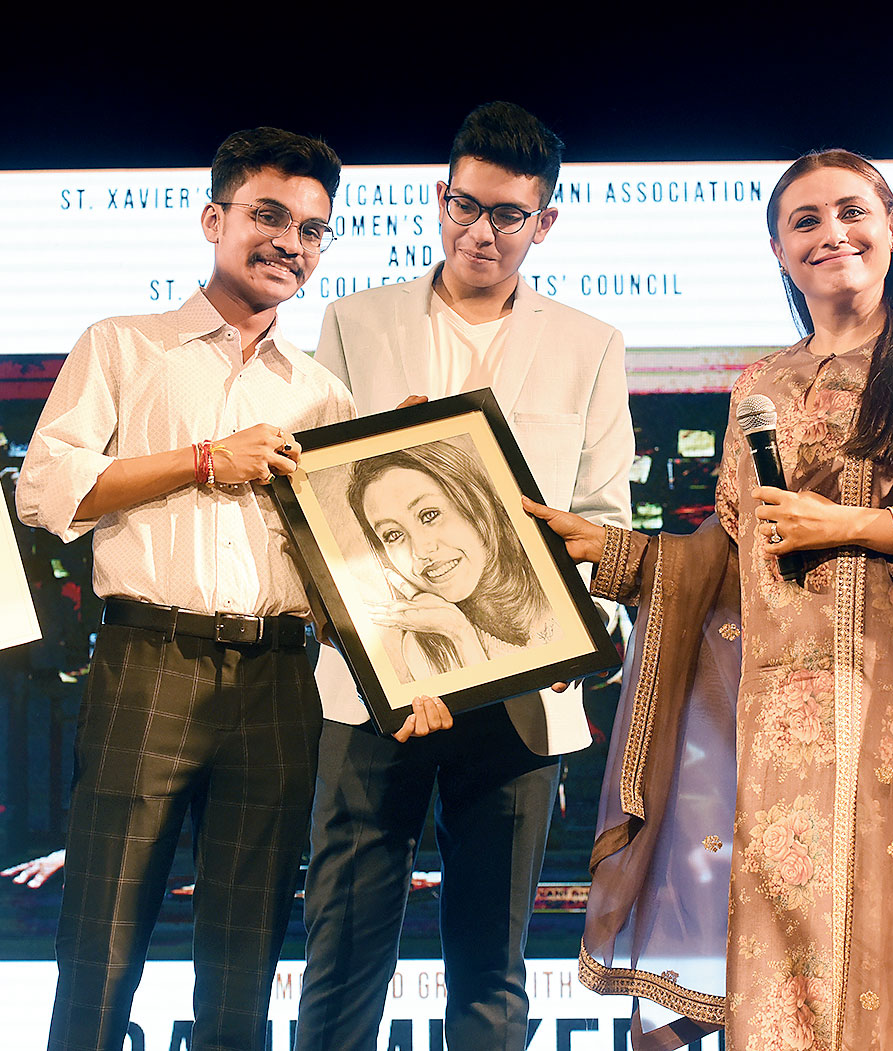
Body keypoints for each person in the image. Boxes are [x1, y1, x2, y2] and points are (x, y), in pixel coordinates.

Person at [529, 149, 893, 1049]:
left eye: (852, 211)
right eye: (805, 222)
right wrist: (627, 560)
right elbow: (736, 555)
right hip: (780, 725)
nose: (833, 234)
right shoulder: (762, 388)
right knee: (785, 961)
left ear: (892, 229)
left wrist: (854, 526)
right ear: (779, 253)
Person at [15, 127, 375, 1051]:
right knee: (99, 947)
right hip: (150, 660)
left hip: (279, 680)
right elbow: (48, 491)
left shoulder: (323, 394)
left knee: (243, 964)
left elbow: (346, 566)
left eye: (310, 228)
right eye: (266, 215)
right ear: (214, 219)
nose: (287, 242)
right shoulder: (125, 347)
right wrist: (205, 460)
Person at [295, 102, 634, 1051]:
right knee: (343, 952)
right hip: (378, 690)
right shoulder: (355, 322)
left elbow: (601, 511)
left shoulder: (587, 343)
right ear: (436, 199)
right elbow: (318, 502)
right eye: (462, 205)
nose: (479, 231)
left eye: (507, 215)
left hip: (524, 689)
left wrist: (577, 626)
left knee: (492, 965)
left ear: (545, 222)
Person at [346, 439, 555, 680]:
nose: (421, 550)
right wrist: (458, 633)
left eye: (429, 515)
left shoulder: (553, 592)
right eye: (394, 535)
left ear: (476, 505)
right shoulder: (423, 648)